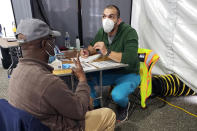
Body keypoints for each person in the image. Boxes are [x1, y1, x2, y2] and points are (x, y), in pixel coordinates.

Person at [8, 18, 116, 131]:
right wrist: (82, 79)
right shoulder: (48, 82)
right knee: (108, 114)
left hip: (37, 123)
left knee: (86, 99)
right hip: (58, 126)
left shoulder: (16, 72)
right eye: (52, 41)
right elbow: (79, 111)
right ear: (44, 44)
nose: (53, 45)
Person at [80, 5, 141, 122]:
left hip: (129, 73)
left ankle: (124, 106)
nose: (106, 20)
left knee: (117, 96)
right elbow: (93, 46)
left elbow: (131, 58)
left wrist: (106, 51)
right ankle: (96, 104)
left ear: (118, 21)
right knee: (84, 77)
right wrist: (88, 51)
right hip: (110, 71)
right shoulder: (102, 31)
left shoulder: (130, 32)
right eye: (104, 16)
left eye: (111, 17)